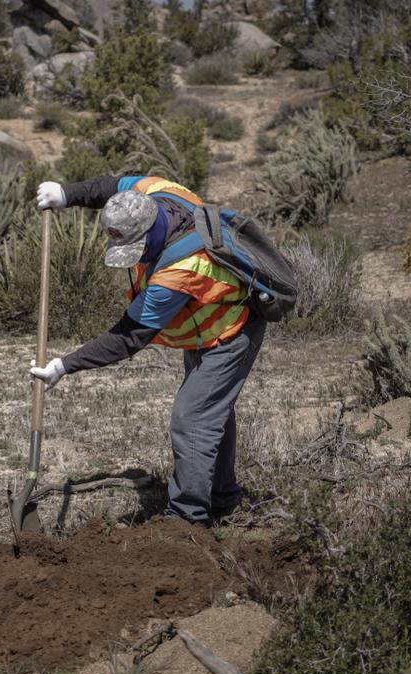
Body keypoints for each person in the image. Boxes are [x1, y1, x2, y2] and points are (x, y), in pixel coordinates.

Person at [30, 174, 266, 526]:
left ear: (152, 232)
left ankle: (186, 519)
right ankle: (221, 497)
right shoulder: (154, 191)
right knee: (212, 411)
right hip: (208, 321)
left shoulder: (181, 270)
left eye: (137, 248)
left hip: (231, 328)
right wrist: (68, 194)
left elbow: (128, 337)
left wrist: (63, 366)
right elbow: (112, 186)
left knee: (193, 418)